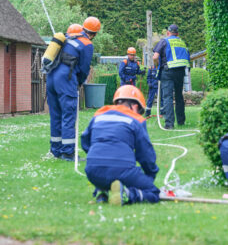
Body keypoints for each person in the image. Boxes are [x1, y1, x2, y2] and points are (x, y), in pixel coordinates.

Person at [81, 85, 160, 206]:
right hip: (122, 170)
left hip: (92, 171)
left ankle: (101, 190)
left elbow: (85, 141)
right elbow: (145, 153)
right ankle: (127, 195)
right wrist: (150, 174)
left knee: (107, 177)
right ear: (135, 106)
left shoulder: (99, 115)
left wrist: (97, 157)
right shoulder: (136, 119)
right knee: (153, 192)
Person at [46, 17, 101, 161]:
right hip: (65, 79)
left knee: (56, 114)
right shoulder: (87, 44)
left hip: (51, 76)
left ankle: (55, 150)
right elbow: (83, 68)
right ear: (95, 33)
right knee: (68, 115)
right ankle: (68, 153)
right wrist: (79, 83)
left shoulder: (67, 37)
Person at [152, 24, 190, 129]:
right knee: (179, 96)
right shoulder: (182, 42)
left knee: (167, 97)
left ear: (168, 33)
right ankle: (181, 121)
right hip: (180, 72)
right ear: (177, 33)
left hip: (168, 72)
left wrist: (156, 65)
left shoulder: (164, 41)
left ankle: (169, 124)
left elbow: (155, 56)